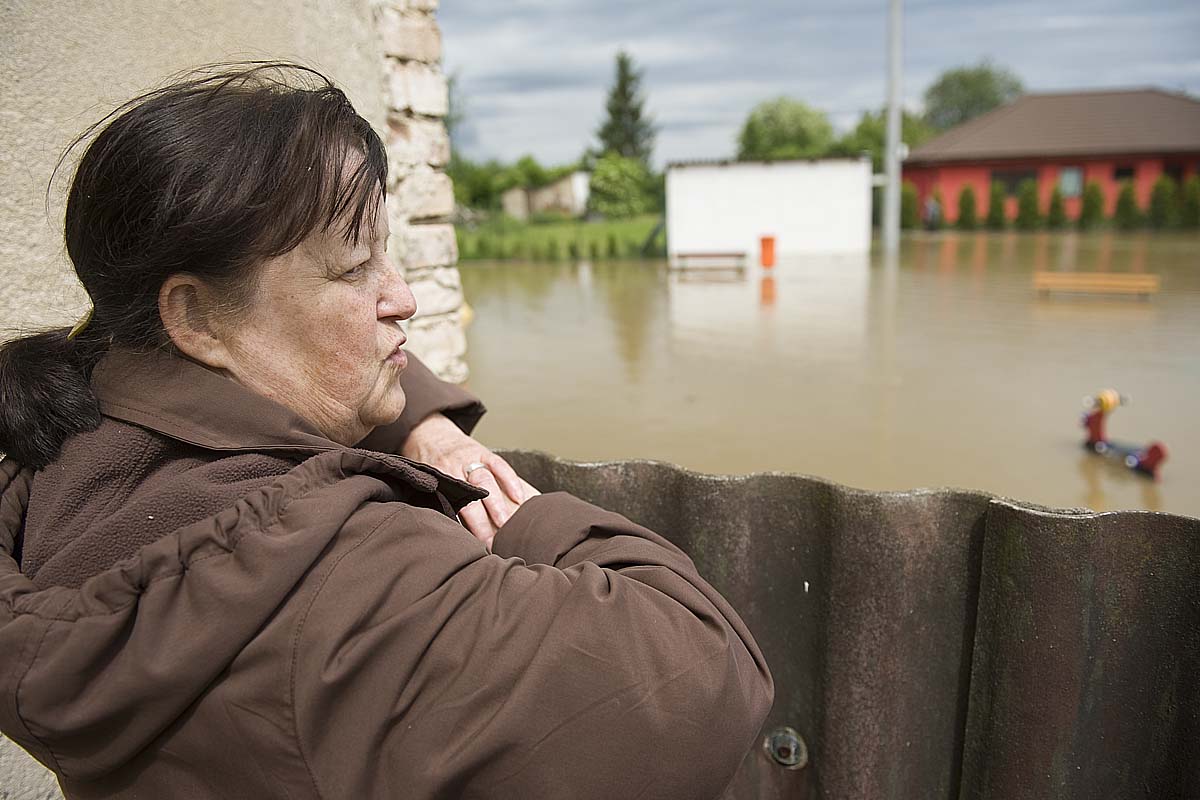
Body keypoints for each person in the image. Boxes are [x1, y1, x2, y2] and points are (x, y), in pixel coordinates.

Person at [0, 63, 772, 799]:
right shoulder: (354, 578)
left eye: (387, 254)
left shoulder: (60, 454)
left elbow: (279, 379)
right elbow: (707, 677)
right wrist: (531, 522)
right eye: (353, 268)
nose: (403, 297)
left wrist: (424, 425)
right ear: (197, 319)